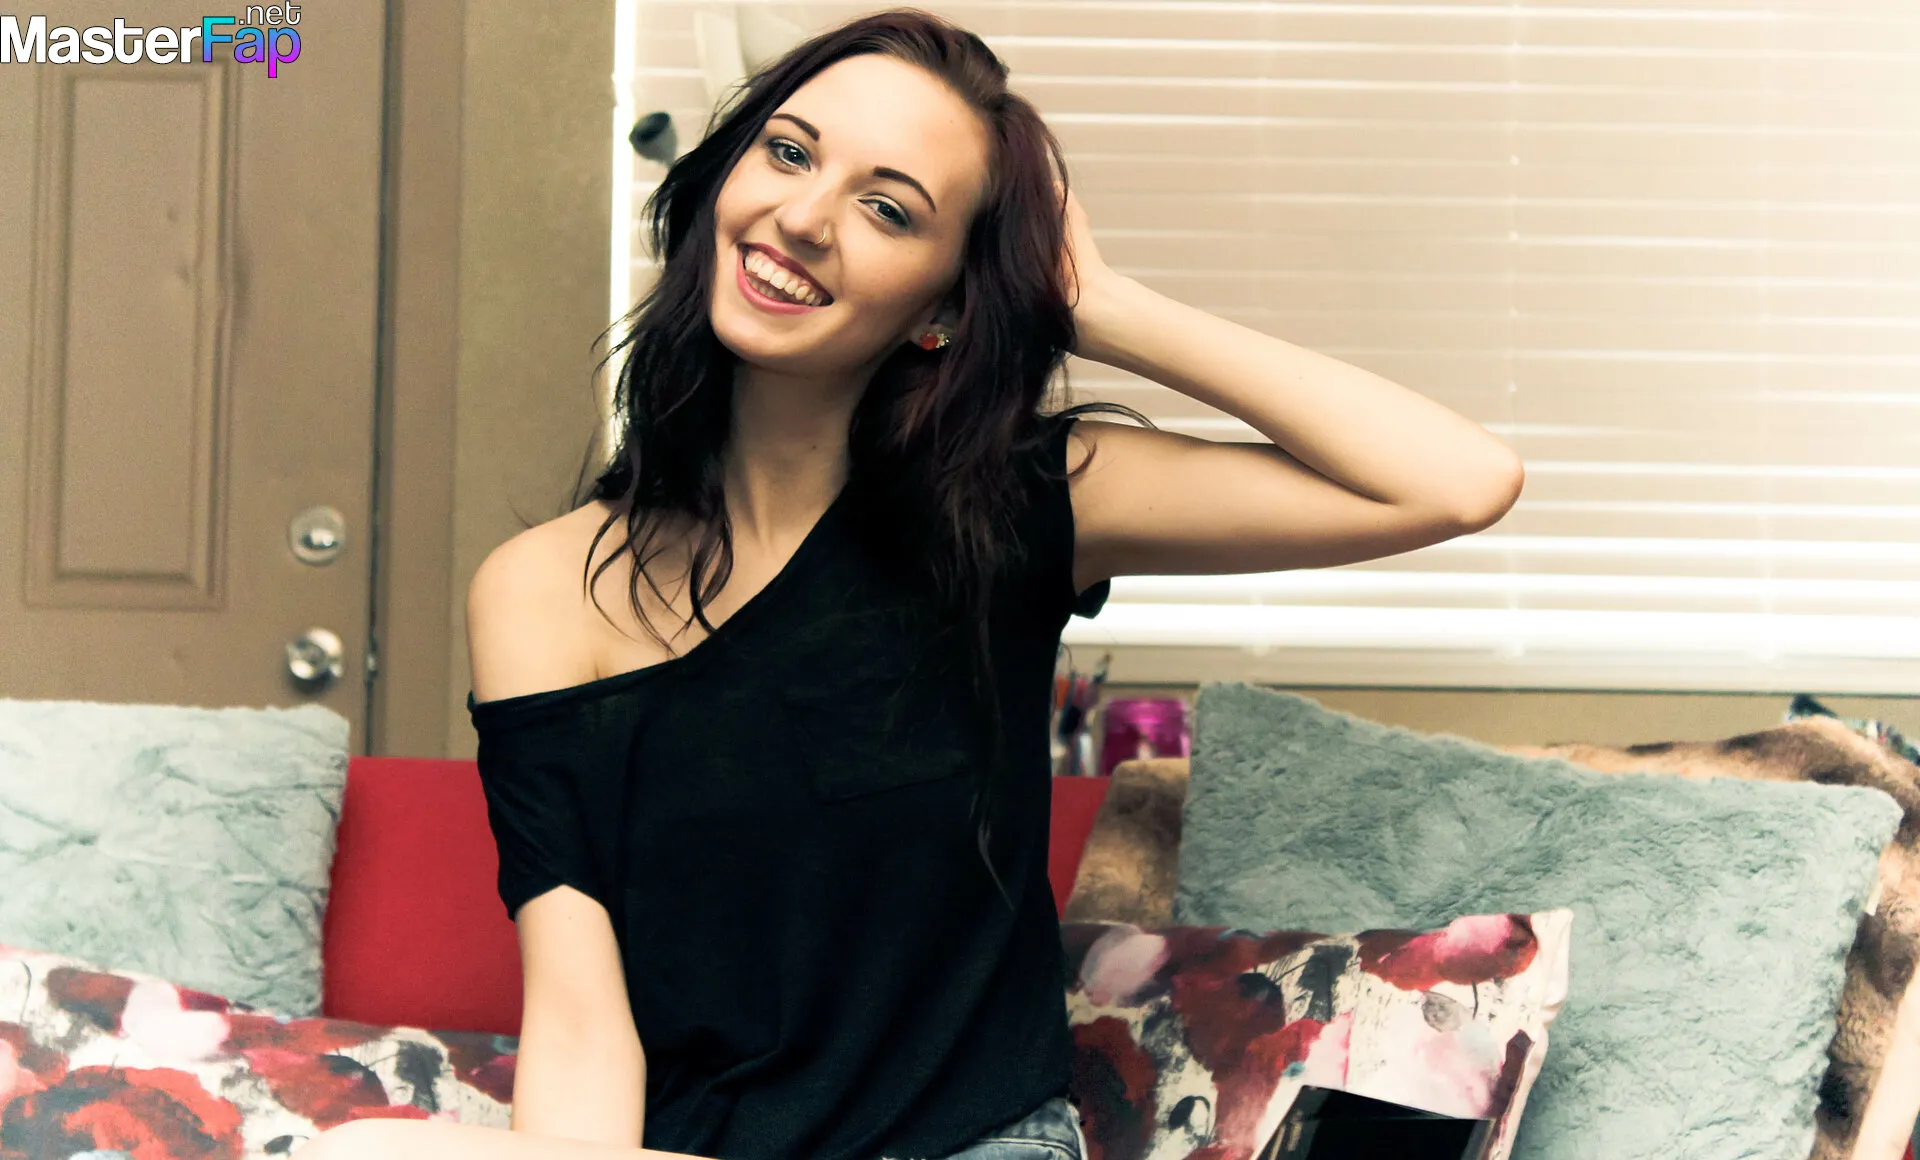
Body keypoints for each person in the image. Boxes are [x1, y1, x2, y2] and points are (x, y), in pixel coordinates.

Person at [296, 9, 1521, 1160]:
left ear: (941, 301)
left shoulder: (1016, 503)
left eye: (887, 208)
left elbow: (1454, 481)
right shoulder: (536, 590)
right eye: (788, 153)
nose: (803, 216)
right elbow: (578, 1017)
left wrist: (1102, 305)